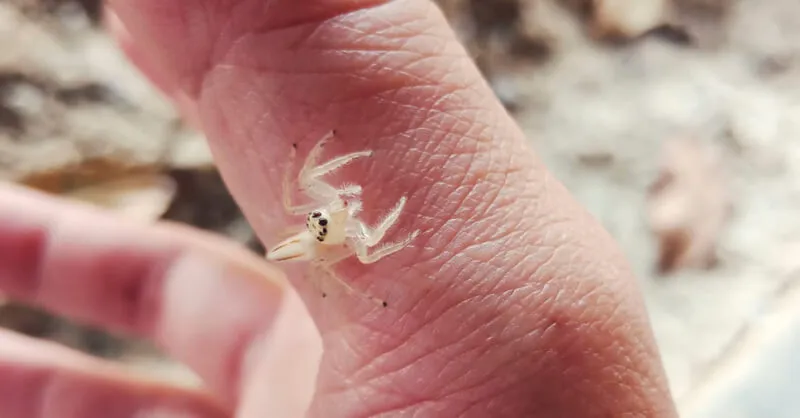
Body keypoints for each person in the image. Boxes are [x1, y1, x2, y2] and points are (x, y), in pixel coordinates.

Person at [0, 1, 679, 417]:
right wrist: (352, 210)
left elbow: (324, 210)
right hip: (316, 245)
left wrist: (341, 187)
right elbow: (334, 232)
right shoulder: (324, 233)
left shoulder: (326, 222)